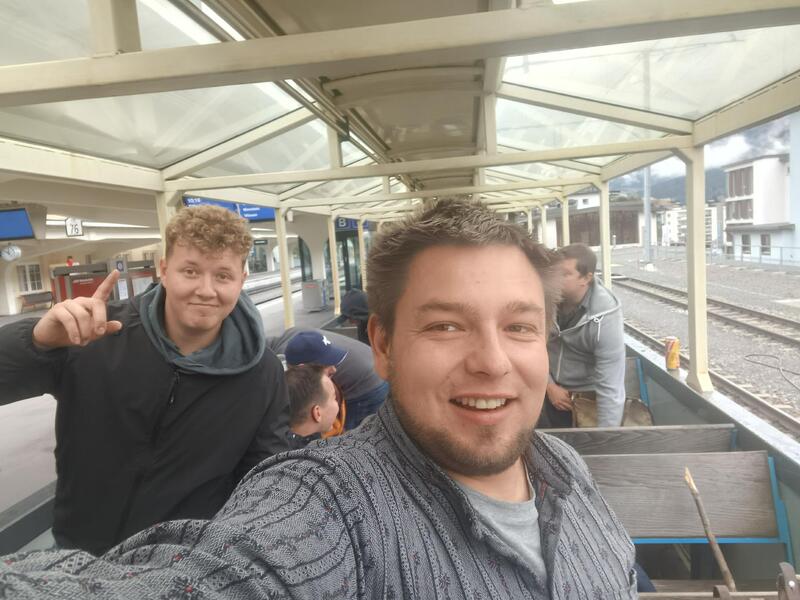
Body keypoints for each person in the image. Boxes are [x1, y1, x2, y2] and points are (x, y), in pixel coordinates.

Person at [0, 200, 637, 598]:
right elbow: (263, 546)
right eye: (446, 325)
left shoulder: (568, 472)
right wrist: (36, 341)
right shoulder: (94, 338)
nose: (493, 361)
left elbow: (261, 464)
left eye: (520, 326)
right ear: (382, 344)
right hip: (80, 546)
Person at [0, 205, 289, 555]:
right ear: (164, 270)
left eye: (223, 276)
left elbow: (261, 481)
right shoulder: (97, 334)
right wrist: (36, 342)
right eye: (191, 271)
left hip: (177, 564)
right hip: (75, 554)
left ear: (242, 280)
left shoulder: (262, 374)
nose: (206, 290)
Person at [541, 243, 626, 428]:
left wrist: (606, 437)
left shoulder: (604, 317)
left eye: (565, 274)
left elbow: (611, 386)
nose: (556, 279)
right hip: (544, 384)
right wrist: (549, 386)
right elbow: (534, 346)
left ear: (586, 278)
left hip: (586, 398)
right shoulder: (546, 299)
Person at [267, 327, 389, 430]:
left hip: (368, 384)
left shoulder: (292, 355)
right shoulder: (293, 336)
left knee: (355, 437)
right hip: (374, 365)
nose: (334, 370)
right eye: (327, 365)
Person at [285, 364, 340, 449]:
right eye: (334, 398)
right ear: (317, 413)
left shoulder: (276, 443)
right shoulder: (317, 453)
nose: (337, 404)